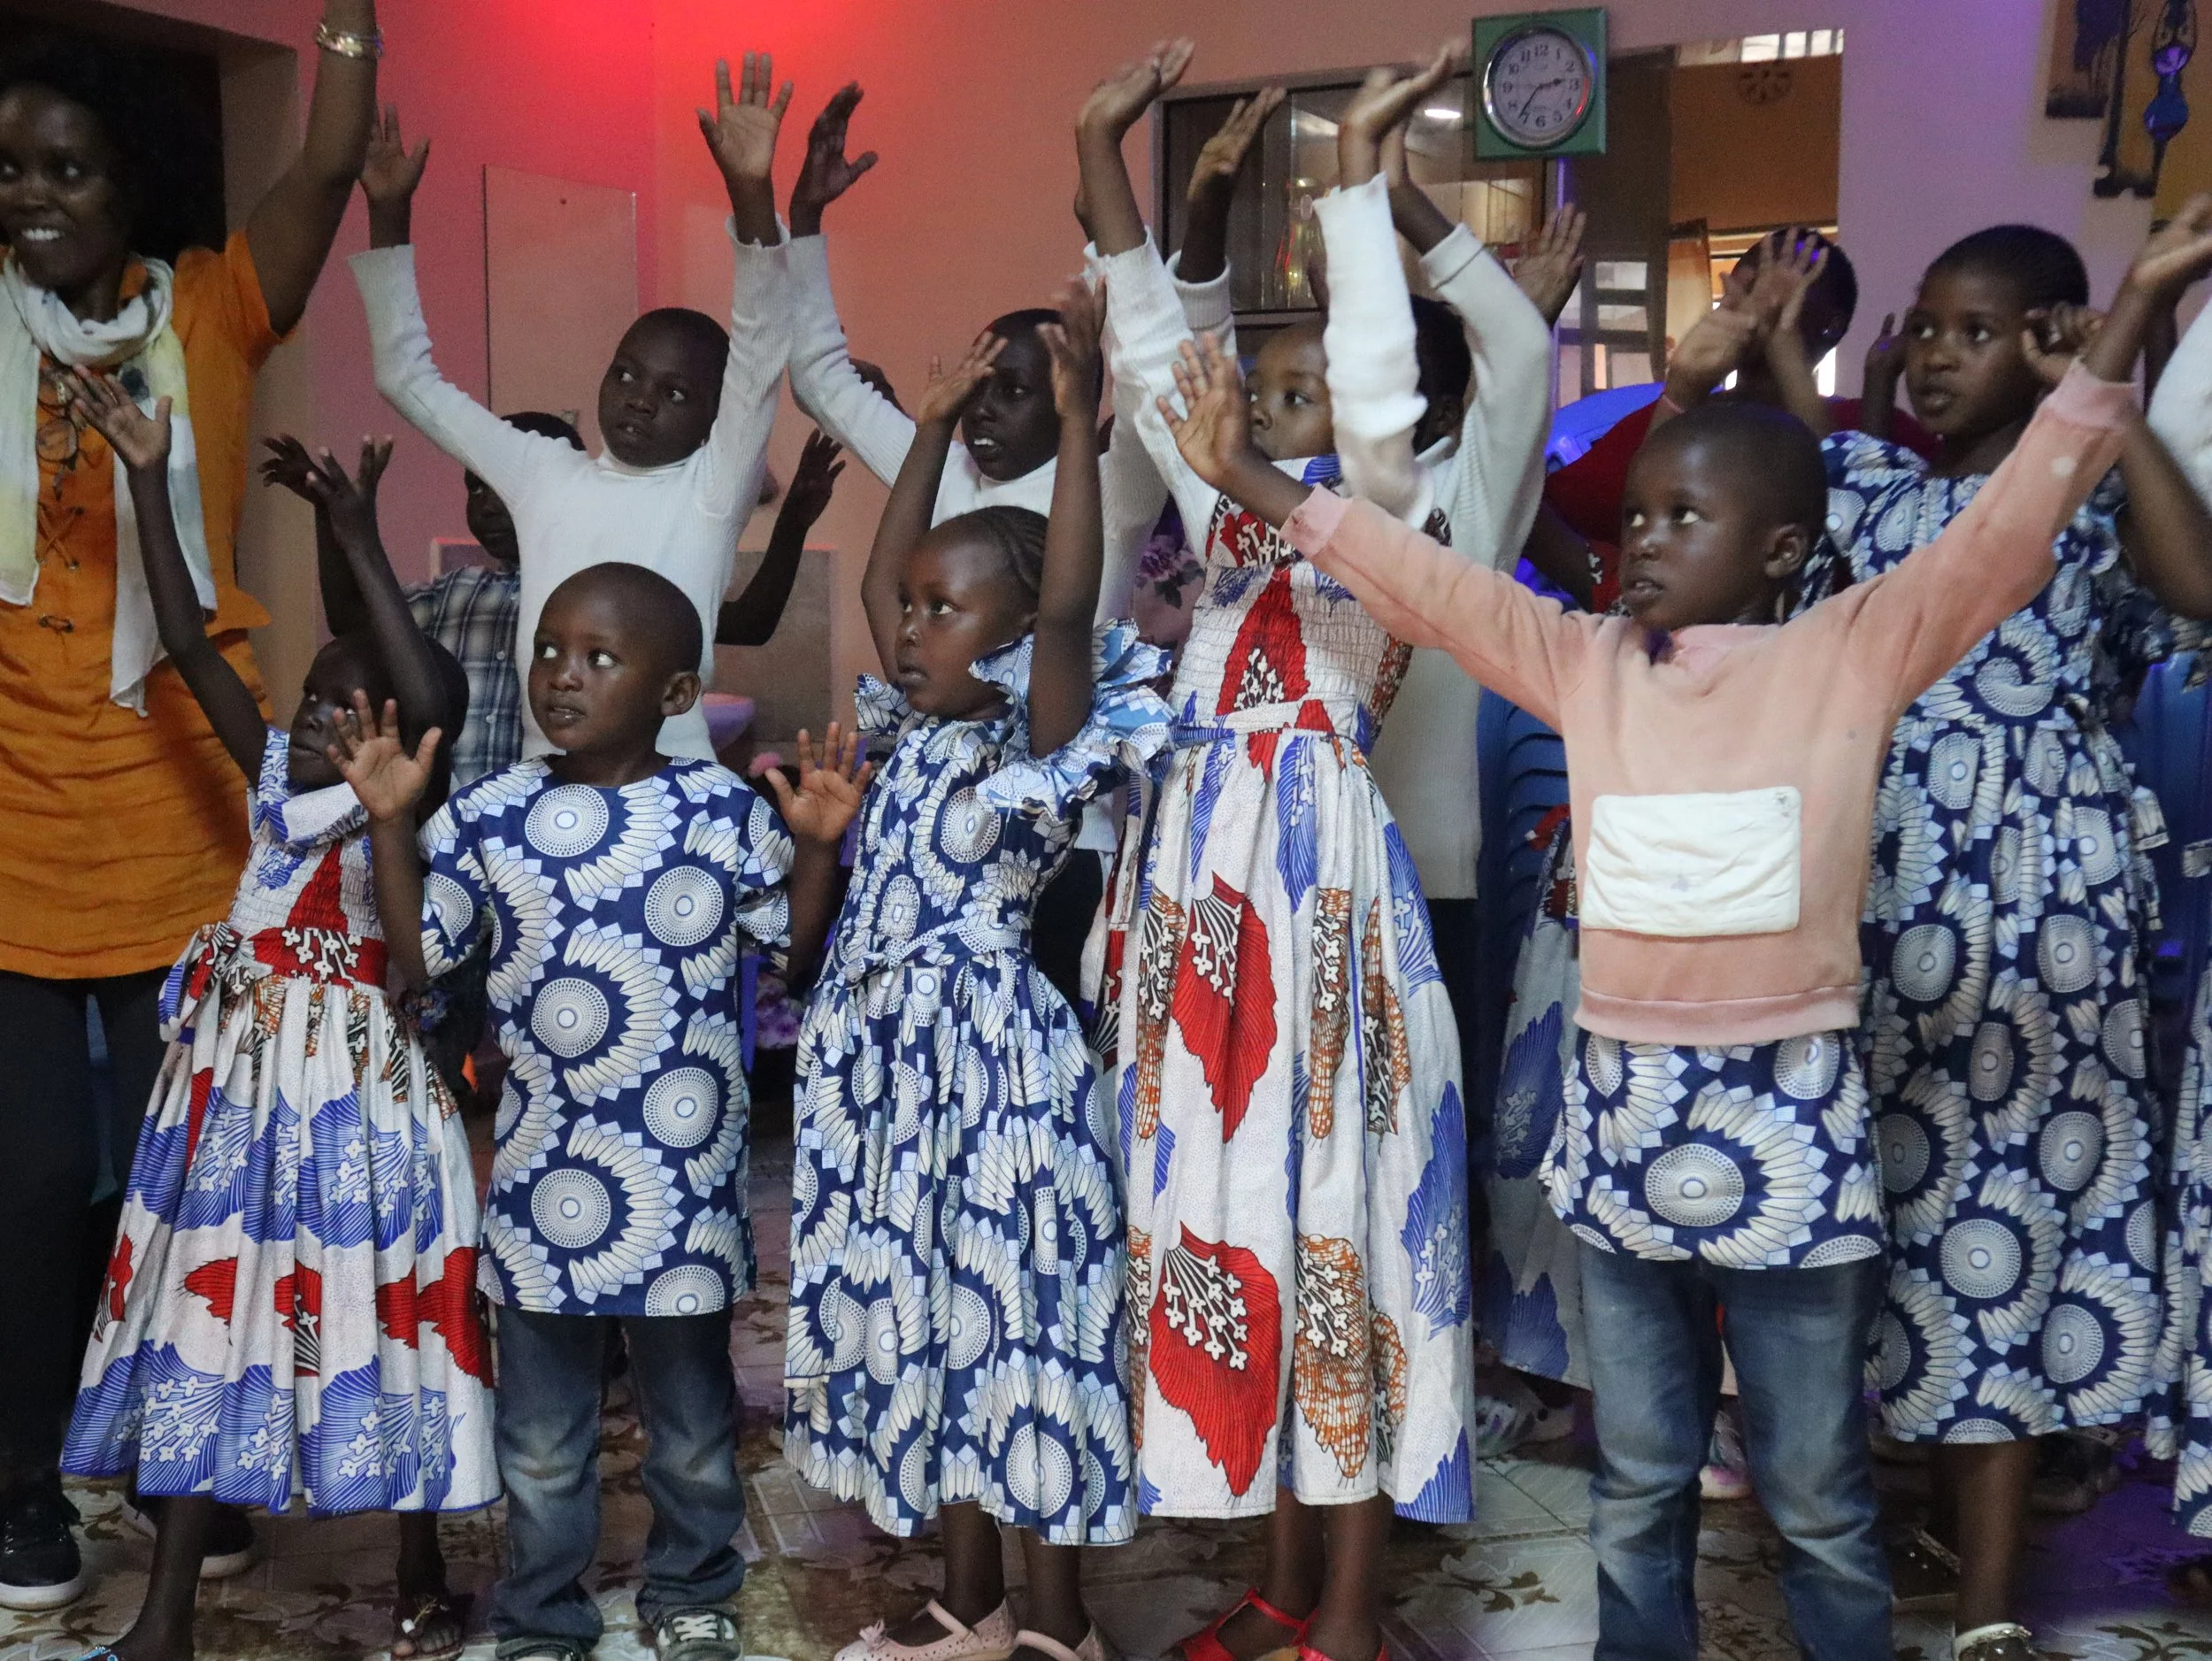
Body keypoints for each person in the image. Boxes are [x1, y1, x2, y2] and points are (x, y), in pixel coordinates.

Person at [1149, 205, 2203, 1660]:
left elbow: (2012, 528)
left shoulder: (1856, 648)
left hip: (1798, 1157)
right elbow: (1428, 584)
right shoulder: (1583, 660)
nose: (1642, 539)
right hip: (1623, 1158)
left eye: (1682, 519)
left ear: (1783, 552)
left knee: (1821, 1491)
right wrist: (1250, 474)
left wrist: (2134, 319)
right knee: (1638, 1481)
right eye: (1637, 515)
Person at [1713, 215, 2212, 1661]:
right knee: (1866, 1230)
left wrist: (2114, 370)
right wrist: (1774, 343)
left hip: (2034, 916)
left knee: (2000, 1243)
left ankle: (1988, 1606)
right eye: (1922, 326)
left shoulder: (2100, 501)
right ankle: (1880, 1523)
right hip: (1872, 900)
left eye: (1972, 330)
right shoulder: (1872, 487)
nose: (1931, 355)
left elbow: (2198, 588)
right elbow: (1802, 455)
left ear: (2051, 336)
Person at [1079, 42, 1479, 1661]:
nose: (1272, 407)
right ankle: (1287, 1569)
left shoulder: (1388, 518)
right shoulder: (1223, 507)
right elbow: (1148, 331)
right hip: (1202, 909)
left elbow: (1375, 393)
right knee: (1248, 1215)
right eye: (1267, 386)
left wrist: (1358, 190)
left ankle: (1357, 1611)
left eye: (1301, 391)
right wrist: (1103, 156)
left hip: (1322, 913)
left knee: (1346, 1225)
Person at [0, 12, 382, 1606]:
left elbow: (334, 147)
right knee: (27, 1179)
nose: (30, 194)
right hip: (19, 821)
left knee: (195, 1177)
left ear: (129, 184)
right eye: (9, 168)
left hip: (195, 812)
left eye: (65, 168)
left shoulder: (219, 308)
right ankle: (23, 1484)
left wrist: (353, 15)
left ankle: (186, 1468)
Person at [340, 559, 866, 1661]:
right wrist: (394, 825)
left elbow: (797, 952)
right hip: (539, 1187)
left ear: (676, 693)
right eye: (549, 651)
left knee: (689, 1432)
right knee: (539, 1440)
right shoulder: (490, 812)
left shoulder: (719, 808)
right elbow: (418, 955)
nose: (561, 676)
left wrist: (817, 849)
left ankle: (691, 1590)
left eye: (598, 657)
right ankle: (542, 1609)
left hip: (681, 1191)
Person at [58, 371, 492, 1661]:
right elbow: (190, 637)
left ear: (402, 734)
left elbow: (409, 941)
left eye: (350, 715)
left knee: (379, 1314)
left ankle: (417, 1568)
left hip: (360, 1111)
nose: (316, 724)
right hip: (233, 1108)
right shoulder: (267, 781)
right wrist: (150, 472)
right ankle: (165, 1620)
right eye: (311, 701)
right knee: (207, 1316)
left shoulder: (397, 818)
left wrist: (356, 535)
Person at [784, 277, 1167, 1661]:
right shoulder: (909, 728)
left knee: (1020, 1325)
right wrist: (931, 426)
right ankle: (972, 1607)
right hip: (895, 1076)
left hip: (992, 1073)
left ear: (1008, 643)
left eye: (946, 613)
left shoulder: (1035, 726)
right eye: (914, 610)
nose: (908, 626)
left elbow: (1067, 604)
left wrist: (1077, 426)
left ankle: (1058, 1627)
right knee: (933, 1328)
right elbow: (893, 571)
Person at [349, 53, 792, 767]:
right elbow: (408, 377)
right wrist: (389, 212)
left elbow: (765, 343)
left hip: (675, 801)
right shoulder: (542, 472)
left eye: (675, 393)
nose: (639, 398)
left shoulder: (711, 491)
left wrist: (749, 192)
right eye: (625, 373)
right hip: (541, 795)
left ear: (717, 418)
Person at [1532, 224, 1932, 611]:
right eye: (1744, 282)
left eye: (1782, 286)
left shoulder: (1867, 424)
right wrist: (1525, 332)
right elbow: (1541, 516)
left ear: (1833, 324)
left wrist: (1784, 343)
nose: (1754, 300)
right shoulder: (1684, 422)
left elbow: (1862, 540)